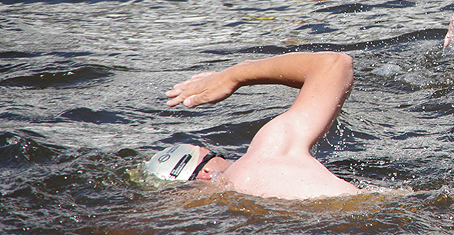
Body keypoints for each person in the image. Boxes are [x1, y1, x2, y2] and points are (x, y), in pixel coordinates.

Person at [145, 51, 361, 199]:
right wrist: (236, 74)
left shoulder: (233, 208)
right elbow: (333, 64)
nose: (228, 158)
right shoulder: (265, 155)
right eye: (215, 154)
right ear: (206, 171)